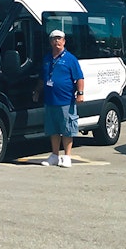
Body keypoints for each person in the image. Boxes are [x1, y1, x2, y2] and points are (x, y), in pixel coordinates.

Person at [39, 29, 84, 168]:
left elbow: (79, 77)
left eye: (59, 39)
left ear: (64, 41)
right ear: (50, 42)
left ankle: (67, 156)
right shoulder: (47, 59)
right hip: (50, 100)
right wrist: (37, 91)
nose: (56, 41)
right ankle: (54, 155)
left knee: (67, 129)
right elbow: (42, 78)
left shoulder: (70, 59)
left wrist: (80, 93)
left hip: (66, 100)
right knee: (53, 129)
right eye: (54, 39)